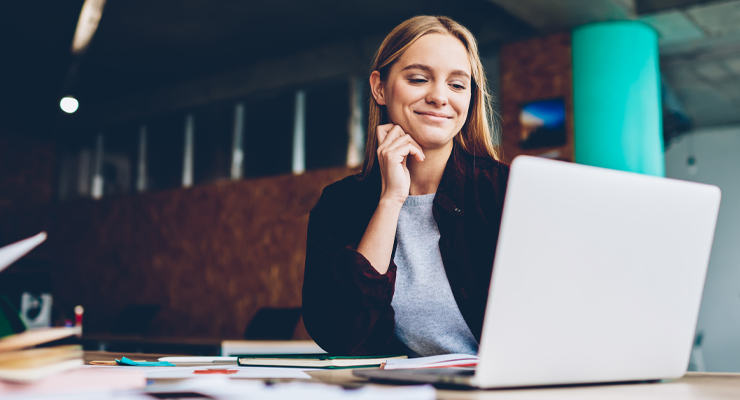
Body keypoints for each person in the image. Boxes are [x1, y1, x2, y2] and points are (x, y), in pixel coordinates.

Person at [302, 15, 509, 357]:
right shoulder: (340, 204)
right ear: (380, 87)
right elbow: (339, 334)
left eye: (457, 85)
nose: (440, 97)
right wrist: (391, 199)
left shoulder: (504, 191)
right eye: (418, 79)